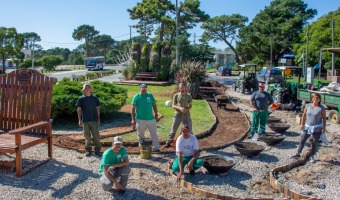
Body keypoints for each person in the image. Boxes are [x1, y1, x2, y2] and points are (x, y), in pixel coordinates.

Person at [292, 93, 326, 163]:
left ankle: (312, 156)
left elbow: (324, 119)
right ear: (312, 98)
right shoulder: (307, 106)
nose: (315, 99)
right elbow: (304, 116)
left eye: (317, 98)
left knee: (314, 142)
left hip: (317, 128)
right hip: (307, 127)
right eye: (314, 98)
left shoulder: (321, 108)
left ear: (319, 99)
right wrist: (302, 124)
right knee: (302, 139)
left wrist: (323, 128)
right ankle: (297, 153)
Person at [131, 83, 160, 152]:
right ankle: (142, 147)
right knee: (141, 134)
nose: (144, 89)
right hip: (140, 119)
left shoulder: (150, 95)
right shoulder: (136, 97)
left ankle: (156, 148)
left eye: (145, 88)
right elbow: (133, 108)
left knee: (154, 133)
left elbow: (154, 105)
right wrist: (133, 119)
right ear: (140, 88)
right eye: (142, 88)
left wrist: (156, 115)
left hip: (151, 119)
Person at [76, 83, 101, 156]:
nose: (87, 89)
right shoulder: (81, 99)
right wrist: (79, 120)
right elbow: (78, 110)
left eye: (88, 87)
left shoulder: (95, 98)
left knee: (96, 136)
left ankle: (97, 150)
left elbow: (97, 109)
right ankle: (88, 150)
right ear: (83, 90)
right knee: (87, 137)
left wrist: (98, 119)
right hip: (85, 121)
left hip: (94, 120)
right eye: (85, 88)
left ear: (90, 89)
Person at [165, 83, 193, 147]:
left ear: (185, 88)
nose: (182, 89)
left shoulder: (188, 96)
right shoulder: (176, 95)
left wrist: (186, 109)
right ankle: (168, 142)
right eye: (181, 88)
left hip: (186, 115)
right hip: (177, 115)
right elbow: (173, 105)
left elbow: (190, 106)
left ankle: (191, 142)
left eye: (183, 87)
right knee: (173, 129)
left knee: (189, 129)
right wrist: (180, 108)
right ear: (179, 88)